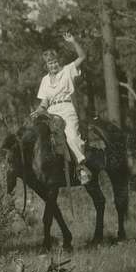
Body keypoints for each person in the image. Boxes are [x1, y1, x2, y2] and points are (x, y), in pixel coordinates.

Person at [34, 33, 91, 184]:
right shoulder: (45, 80)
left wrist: (73, 42)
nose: (53, 65)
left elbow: (82, 57)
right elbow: (44, 101)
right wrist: (39, 110)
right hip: (51, 112)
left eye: (54, 62)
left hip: (66, 109)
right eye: (49, 63)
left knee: (71, 137)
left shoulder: (67, 70)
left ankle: (81, 167)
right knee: (40, 137)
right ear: (46, 65)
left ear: (58, 62)